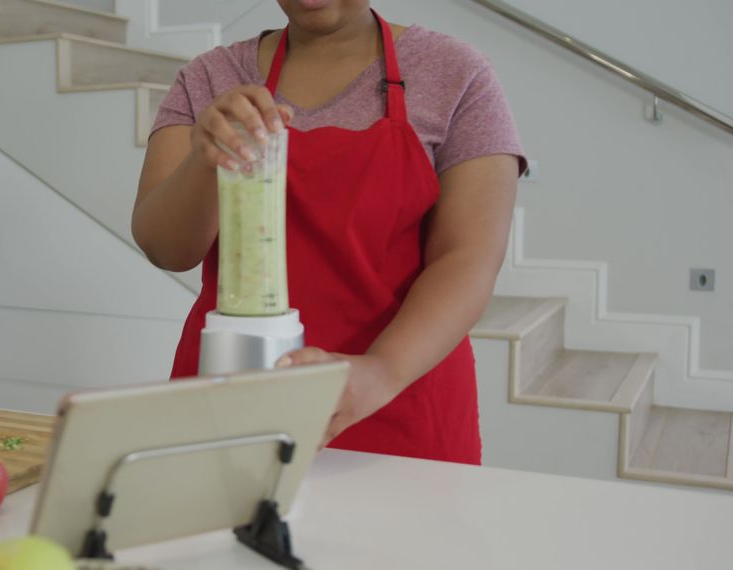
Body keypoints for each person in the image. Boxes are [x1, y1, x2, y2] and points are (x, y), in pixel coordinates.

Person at [131, 0, 526, 465]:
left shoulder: (456, 74)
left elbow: (469, 256)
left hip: (398, 403)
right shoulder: (210, 78)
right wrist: (205, 157)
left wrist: (378, 374)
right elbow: (166, 248)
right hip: (233, 401)